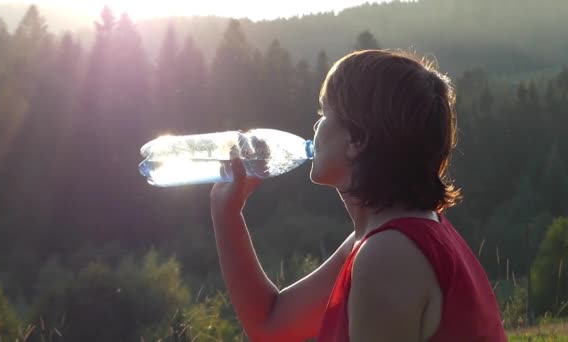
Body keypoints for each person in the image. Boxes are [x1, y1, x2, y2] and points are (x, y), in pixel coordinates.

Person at [210, 50, 506, 341]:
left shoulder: (388, 255)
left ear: (356, 139)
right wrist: (227, 215)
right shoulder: (382, 240)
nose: (316, 126)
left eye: (325, 113)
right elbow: (272, 324)